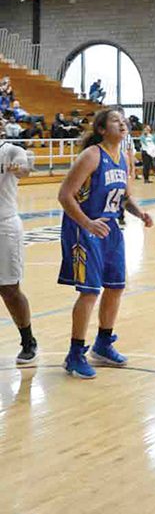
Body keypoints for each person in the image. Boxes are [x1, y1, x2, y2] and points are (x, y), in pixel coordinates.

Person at [57, 108, 153, 379]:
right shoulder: (91, 155)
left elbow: (124, 197)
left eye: (124, 121)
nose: (122, 124)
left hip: (110, 228)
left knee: (115, 287)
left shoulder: (123, 157)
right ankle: (75, 354)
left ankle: (103, 343)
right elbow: (65, 195)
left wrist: (140, 213)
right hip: (84, 227)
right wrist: (87, 223)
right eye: (115, 120)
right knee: (89, 291)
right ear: (101, 129)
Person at [0, 138, 37, 365]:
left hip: (4, 226)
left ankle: (28, 340)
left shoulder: (12, 150)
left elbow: (25, 170)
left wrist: (21, 168)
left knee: (9, 289)